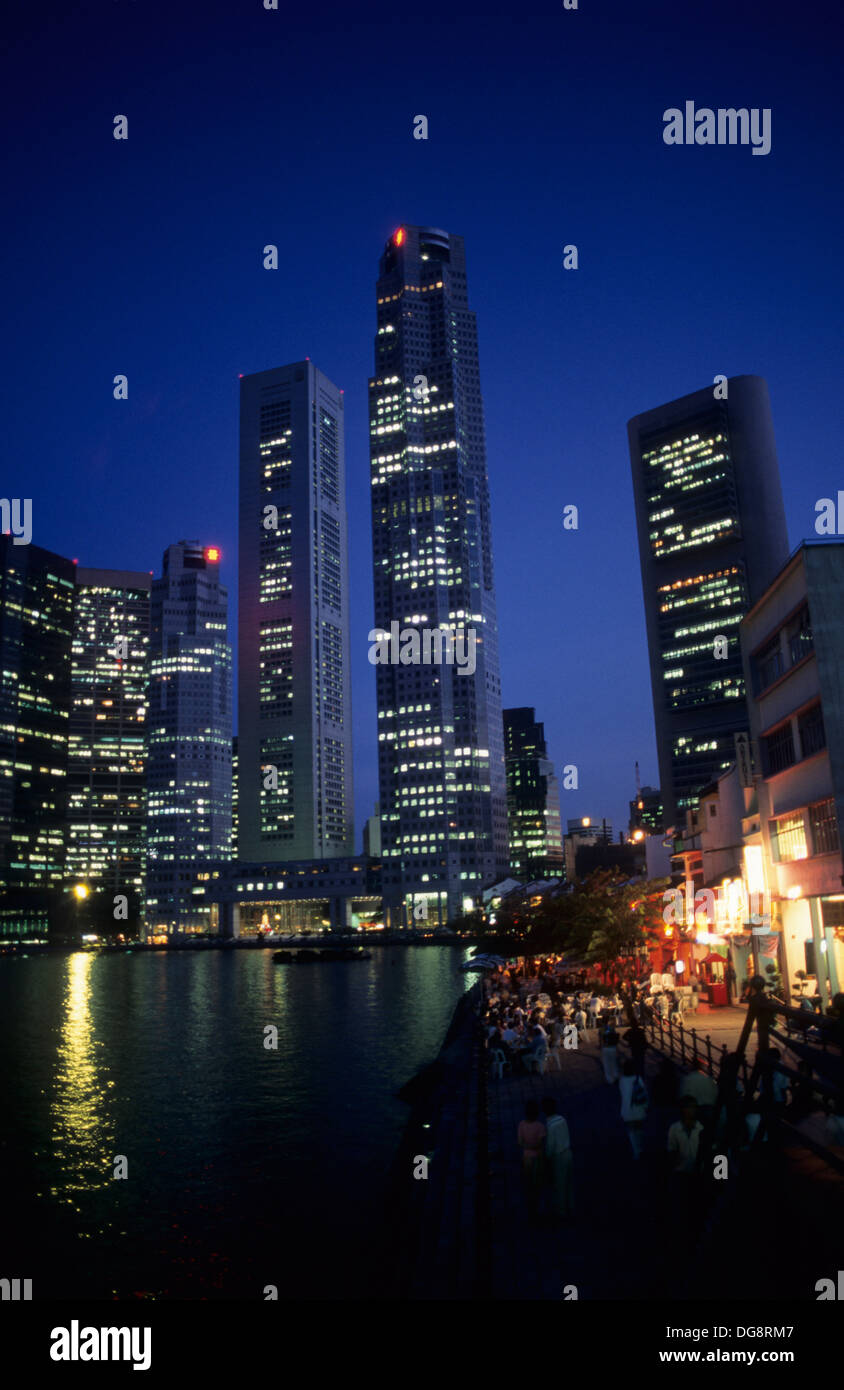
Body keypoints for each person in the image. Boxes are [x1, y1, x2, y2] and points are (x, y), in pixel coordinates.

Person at [542, 1096, 574, 1220]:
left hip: (558, 1157)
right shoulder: (562, 1119)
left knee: (559, 1185)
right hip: (568, 1152)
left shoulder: (550, 1126)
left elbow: (550, 1146)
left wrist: (547, 1158)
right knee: (569, 1182)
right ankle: (571, 1206)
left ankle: (561, 1212)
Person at [518, 1099, 546, 1220]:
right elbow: (540, 1144)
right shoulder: (540, 1127)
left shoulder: (521, 1125)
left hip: (526, 1158)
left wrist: (527, 1146)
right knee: (537, 1185)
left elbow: (520, 1143)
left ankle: (530, 1211)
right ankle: (538, 1211)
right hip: (538, 1159)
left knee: (528, 1185)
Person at [619, 1061, 648, 1157]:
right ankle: (642, 1147)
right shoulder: (638, 1078)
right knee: (639, 1129)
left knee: (631, 1131)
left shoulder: (621, 1080)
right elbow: (643, 1093)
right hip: (638, 1108)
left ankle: (636, 1151)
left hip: (627, 1110)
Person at [681, 1058, 718, 1128]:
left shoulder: (687, 1079)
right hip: (708, 1108)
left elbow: (682, 1096)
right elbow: (715, 1094)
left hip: (693, 1109)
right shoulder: (708, 1079)